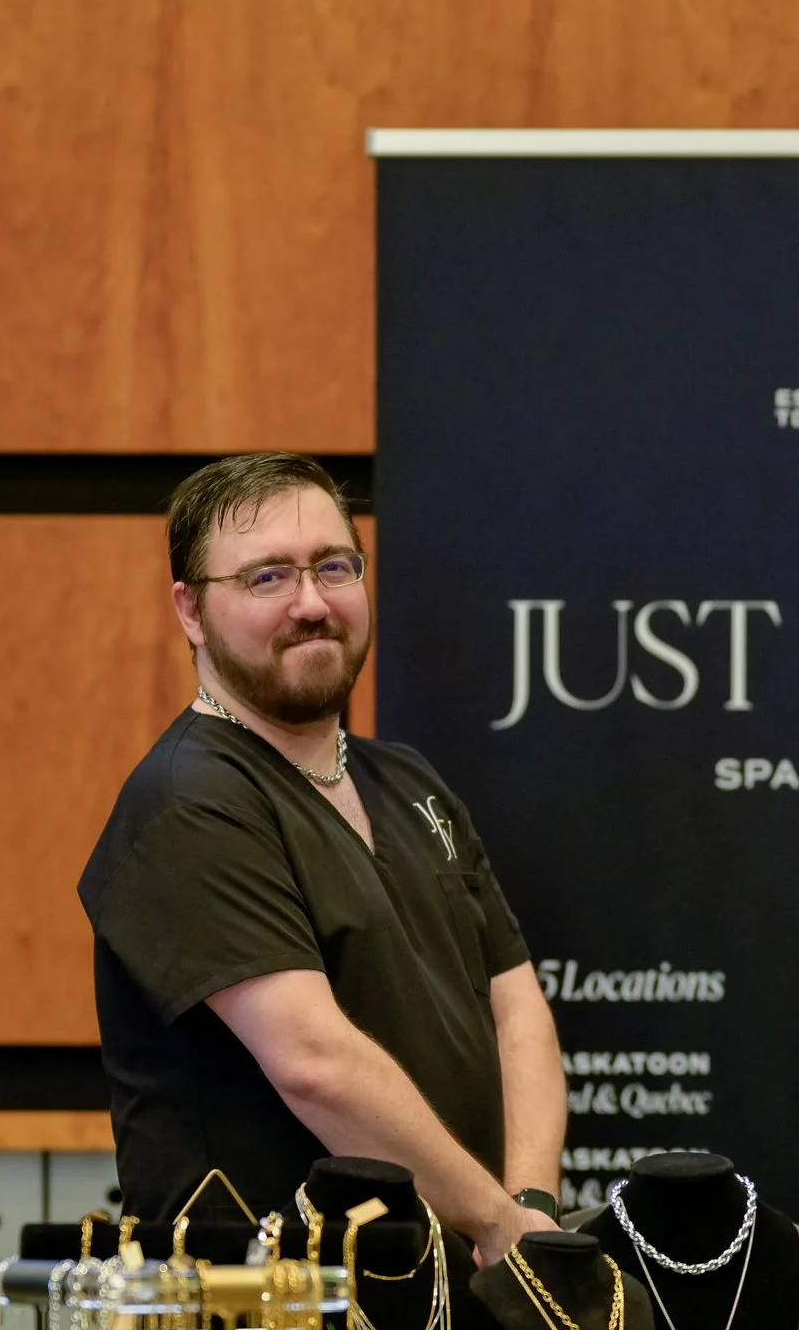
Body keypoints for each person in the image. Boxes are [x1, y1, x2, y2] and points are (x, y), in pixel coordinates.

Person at [78, 454, 566, 1262]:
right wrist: (495, 1222)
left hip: (464, 1284)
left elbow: (517, 1011)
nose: (311, 603)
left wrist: (529, 1208)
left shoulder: (409, 781)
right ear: (192, 609)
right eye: (268, 577)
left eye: (334, 567)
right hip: (262, 1307)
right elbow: (313, 1062)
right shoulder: (189, 801)